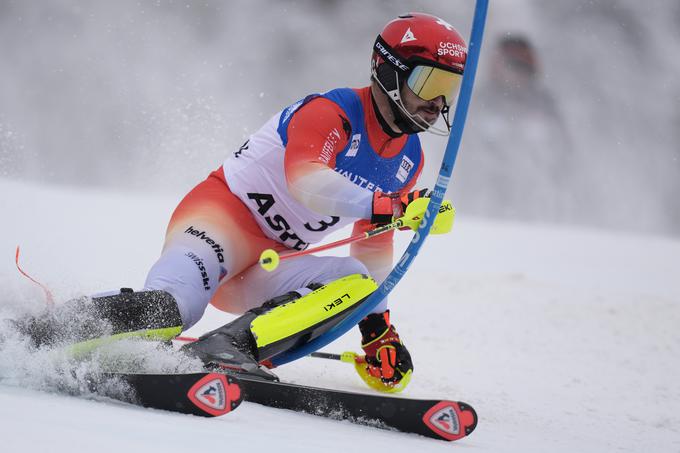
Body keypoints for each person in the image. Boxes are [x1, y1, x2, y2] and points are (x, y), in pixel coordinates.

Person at [11, 13, 466, 388]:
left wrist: (375, 328)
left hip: (271, 265)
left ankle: (228, 349)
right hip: (219, 225)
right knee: (174, 311)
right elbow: (308, 182)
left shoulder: (409, 159)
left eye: (449, 92)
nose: (436, 105)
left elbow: (373, 245)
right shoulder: (331, 112)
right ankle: (32, 334)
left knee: (356, 280)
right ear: (387, 71)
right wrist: (392, 206)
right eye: (428, 85)